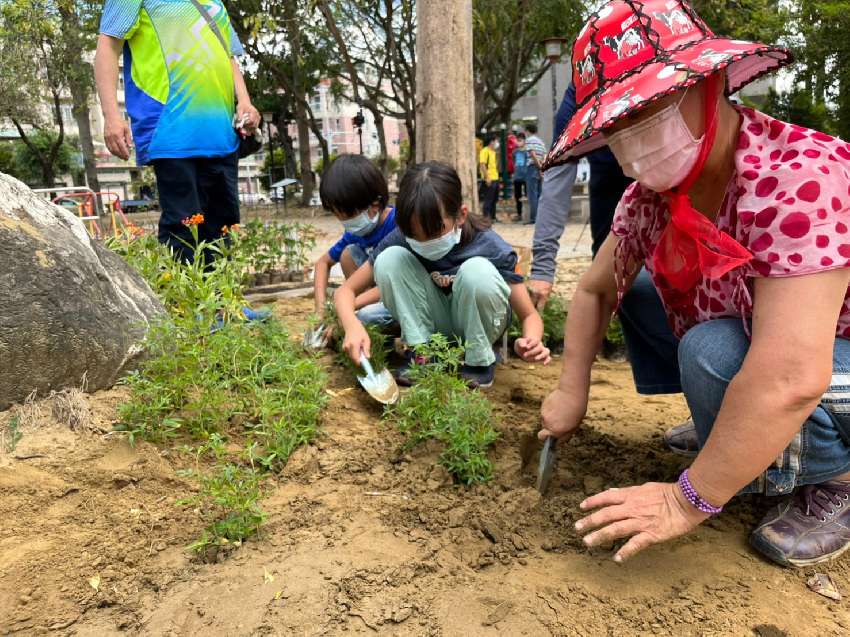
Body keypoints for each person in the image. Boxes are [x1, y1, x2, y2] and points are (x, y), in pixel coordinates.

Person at [539, 0, 850, 568]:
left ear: (707, 85)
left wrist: (686, 501)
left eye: (649, 109)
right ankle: (736, 425)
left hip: (826, 360)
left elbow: (793, 375)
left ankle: (836, 479)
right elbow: (594, 290)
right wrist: (570, 388)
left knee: (715, 353)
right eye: (617, 125)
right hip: (780, 351)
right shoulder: (651, 201)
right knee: (639, 294)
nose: (632, 139)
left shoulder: (797, 178)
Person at [335, 161, 551, 389]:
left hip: (480, 326)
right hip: (437, 323)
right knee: (389, 259)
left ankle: (478, 362)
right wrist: (352, 325)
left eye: (433, 231)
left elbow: (529, 315)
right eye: (413, 235)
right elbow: (345, 291)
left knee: (476, 271)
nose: (423, 242)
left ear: (460, 215)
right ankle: (423, 354)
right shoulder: (400, 239)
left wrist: (531, 341)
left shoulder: (490, 246)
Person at [95, 0, 259, 266]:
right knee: (182, 229)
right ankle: (186, 307)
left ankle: (226, 307)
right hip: (169, 129)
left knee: (222, 228)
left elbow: (229, 55)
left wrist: (244, 101)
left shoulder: (215, 2)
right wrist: (112, 116)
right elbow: (108, 46)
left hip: (221, 132)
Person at [313, 154, 396, 327]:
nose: (345, 223)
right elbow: (322, 263)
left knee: (365, 316)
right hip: (374, 293)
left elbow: (396, 284)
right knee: (348, 254)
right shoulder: (356, 232)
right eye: (339, 217)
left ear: (374, 205)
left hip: (399, 295)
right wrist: (320, 310)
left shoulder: (398, 227)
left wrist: (347, 306)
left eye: (349, 216)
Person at [523, 123, 547, 225]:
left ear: (528, 131)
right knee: (539, 194)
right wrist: (543, 167)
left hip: (532, 167)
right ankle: (541, 218)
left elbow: (532, 154)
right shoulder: (541, 142)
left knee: (532, 195)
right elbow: (545, 155)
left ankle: (534, 219)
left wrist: (538, 165)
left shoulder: (529, 140)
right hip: (540, 168)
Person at [478, 135, 500, 221]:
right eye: (495, 141)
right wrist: (487, 177)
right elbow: (482, 164)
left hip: (495, 178)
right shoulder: (485, 151)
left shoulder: (493, 152)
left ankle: (493, 217)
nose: (496, 143)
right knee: (488, 199)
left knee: (494, 199)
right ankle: (486, 217)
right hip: (489, 179)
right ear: (491, 141)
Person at [512, 133, 528, 222]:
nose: (518, 142)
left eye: (520, 140)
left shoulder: (527, 151)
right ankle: (519, 214)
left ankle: (527, 213)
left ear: (524, 141)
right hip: (517, 177)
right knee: (517, 196)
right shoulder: (515, 152)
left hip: (525, 177)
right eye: (517, 140)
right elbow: (514, 162)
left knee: (527, 195)